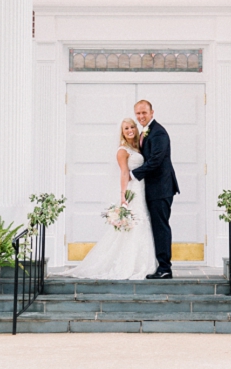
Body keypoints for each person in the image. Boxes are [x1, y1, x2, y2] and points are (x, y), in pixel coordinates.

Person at [69, 118, 157, 280]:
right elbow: (124, 172)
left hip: (142, 188)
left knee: (142, 223)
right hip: (133, 190)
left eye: (132, 127)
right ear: (122, 132)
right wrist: (123, 195)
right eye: (126, 128)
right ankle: (128, 264)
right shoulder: (122, 150)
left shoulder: (137, 147)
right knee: (134, 225)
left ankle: (141, 262)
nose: (130, 130)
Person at [130, 98, 179, 279]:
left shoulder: (158, 133)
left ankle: (165, 268)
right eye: (138, 113)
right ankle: (158, 264)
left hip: (161, 188)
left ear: (152, 112)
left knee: (161, 227)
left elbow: (156, 161)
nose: (141, 116)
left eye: (144, 112)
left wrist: (134, 174)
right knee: (156, 227)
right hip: (152, 189)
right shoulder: (145, 132)